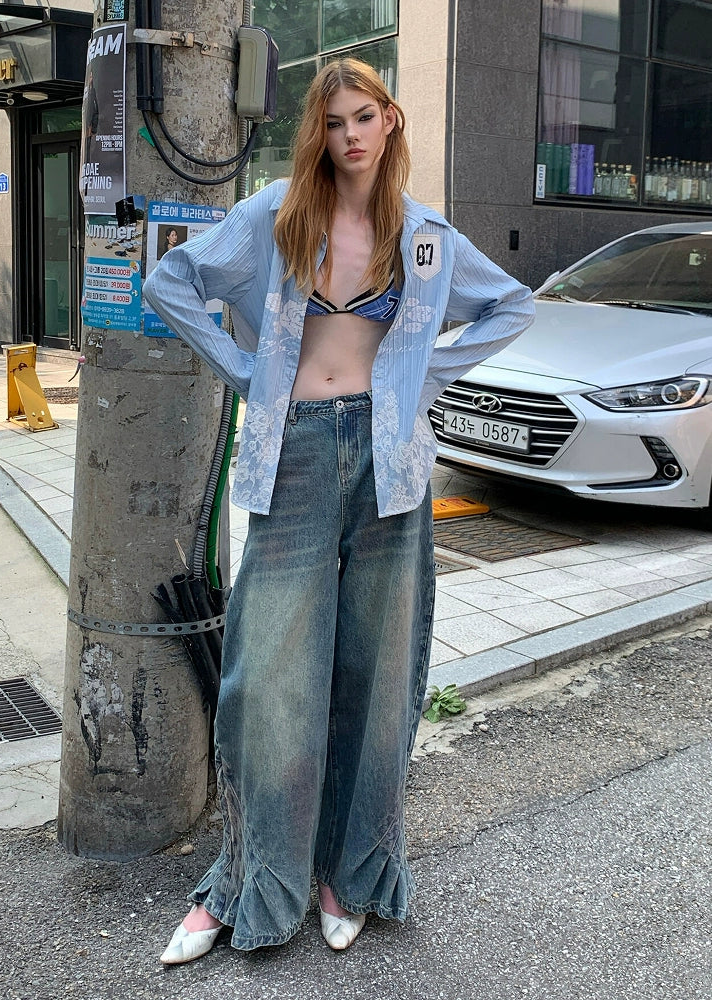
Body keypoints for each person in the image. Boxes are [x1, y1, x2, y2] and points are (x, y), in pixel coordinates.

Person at [143, 58, 534, 963]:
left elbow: (510, 306)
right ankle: (248, 880)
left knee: (379, 675)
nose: (349, 135)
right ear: (316, 134)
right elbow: (173, 284)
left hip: (392, 465)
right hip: (297, 455)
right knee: (269, 683)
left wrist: (418, 377)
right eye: (332, 122)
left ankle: (350, 876)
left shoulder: (425, 236)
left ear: (390, 120)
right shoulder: (276, 215)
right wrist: (247, 373)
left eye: (363, 116)